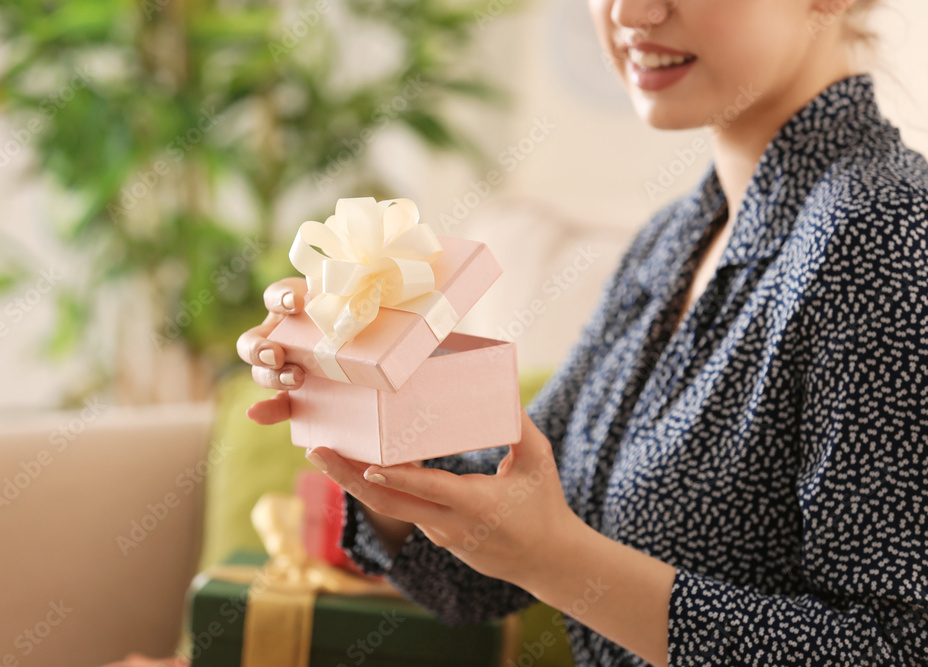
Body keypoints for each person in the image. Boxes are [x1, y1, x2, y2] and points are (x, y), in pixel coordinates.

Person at [236, 1, 928, 666]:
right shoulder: (675, 237)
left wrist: (557, 559)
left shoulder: (887, 236)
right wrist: (363, 400)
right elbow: (488, 568)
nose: (630, 13)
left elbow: (895, 650)